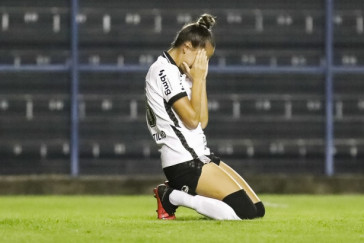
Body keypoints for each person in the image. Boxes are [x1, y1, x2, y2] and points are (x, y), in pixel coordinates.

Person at [145, 13, 265, 220]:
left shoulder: (184, 74)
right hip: (183, 162)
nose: (203, 65)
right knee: (245, 213)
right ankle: (172, 196)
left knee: (257, 209)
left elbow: (202, 122)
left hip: (201, 156)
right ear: (187, 47)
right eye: (203, 58)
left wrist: (200, 80)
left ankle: (178, 195)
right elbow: (191, 121)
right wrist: (198, 79)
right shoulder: (163, 71)